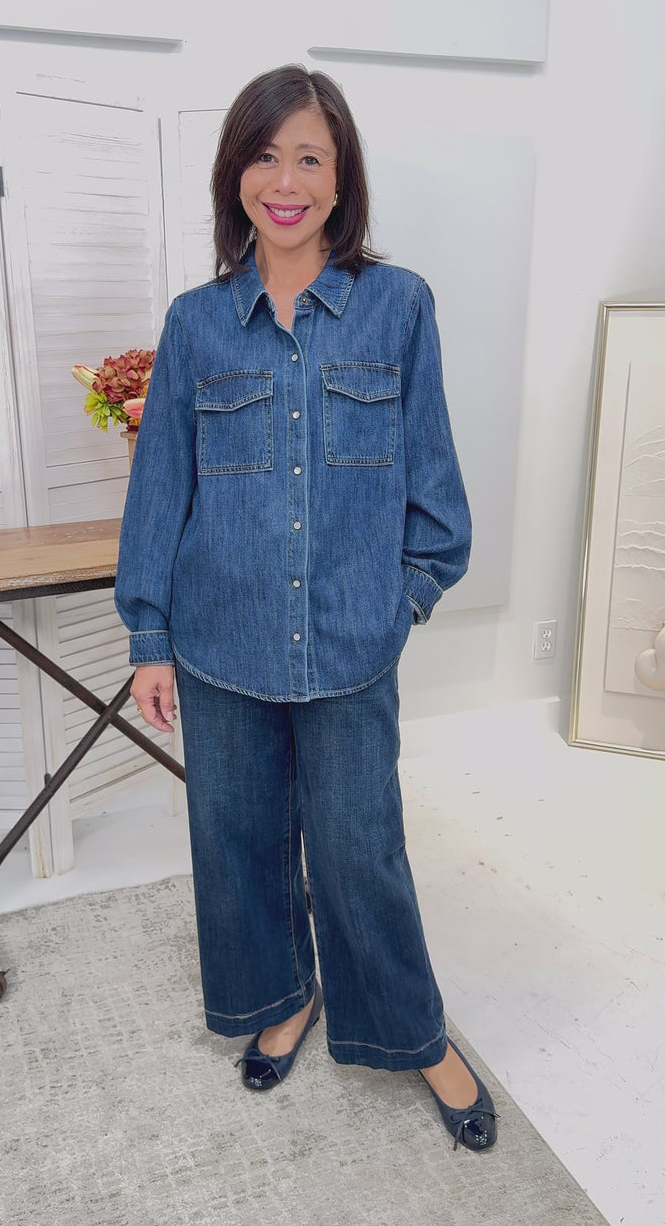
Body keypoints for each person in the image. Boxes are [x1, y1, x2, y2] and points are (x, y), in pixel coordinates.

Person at [114, 64, 498, 1152]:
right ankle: (283, 996)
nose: (285, 182)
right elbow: (162, 492)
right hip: (219, 641)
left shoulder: (398, 306)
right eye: (264, 156)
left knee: (359, 850)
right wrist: (150, 636)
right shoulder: (197, 325)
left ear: (341, 178)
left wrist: (397, 601)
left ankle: (411, 1030)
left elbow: (435, 489)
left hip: (349, 647)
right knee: (237, 842)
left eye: (309, 158)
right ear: (234, 174)